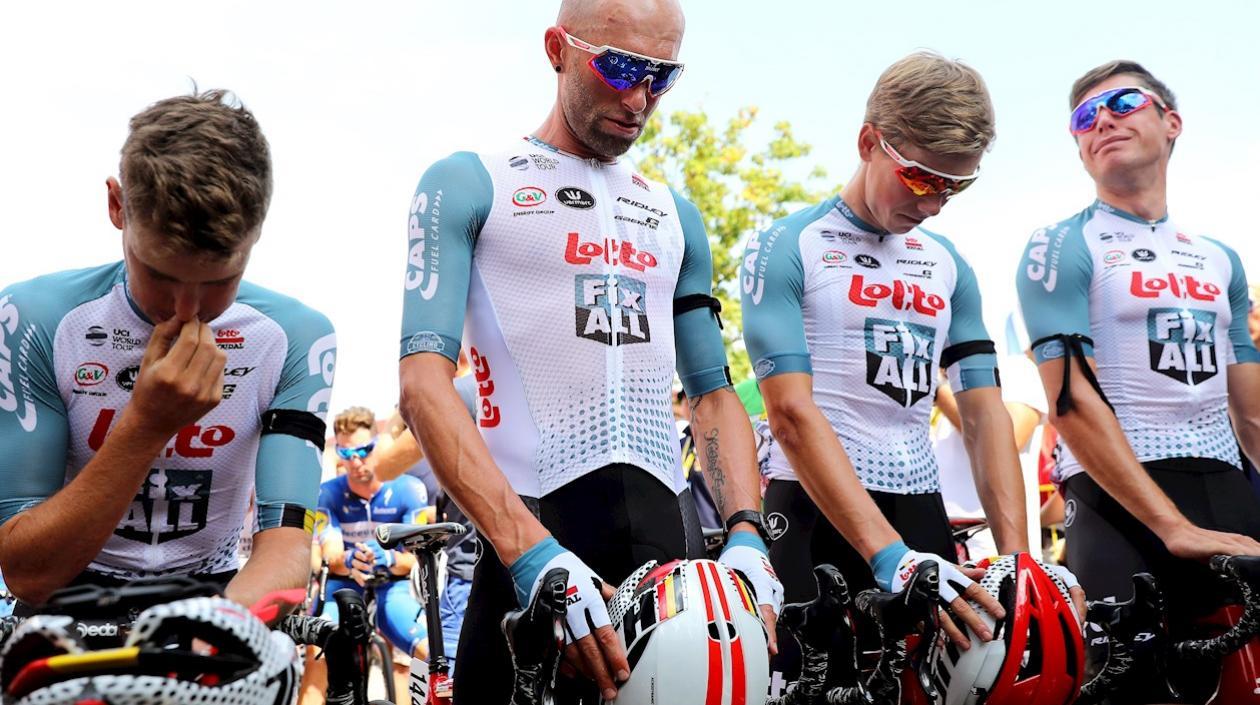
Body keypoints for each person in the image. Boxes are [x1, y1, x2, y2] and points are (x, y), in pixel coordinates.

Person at [397, 0, 782, 701]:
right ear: (556, 48)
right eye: (620, 68)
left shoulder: (674, 213)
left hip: (671, 552)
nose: (639, 100)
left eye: (661, 78)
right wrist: (531, 550)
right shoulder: (470, 182)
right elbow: (423, 388)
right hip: (530, 545)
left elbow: (712, 391)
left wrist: (748, 531)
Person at [741, 51, 1081, 691]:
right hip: (815, 518)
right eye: (923, 179)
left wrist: (1020, 563)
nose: (936, 204)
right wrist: (886, 553)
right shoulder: (788, 244)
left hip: (920, 513)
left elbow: (983, 416)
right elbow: (788, 412)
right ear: (869, 141)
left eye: (958, 186)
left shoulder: (948, 262)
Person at [0, 90, 335, 612]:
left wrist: (222, 626)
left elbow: (288, 548)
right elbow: (26, 572)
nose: (187, 308)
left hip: (219, 592)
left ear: (258, 231)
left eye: (221, 281)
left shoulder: (294, 337)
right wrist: (148, 425)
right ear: (117, 206)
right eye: (158, 274)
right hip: (67, 596)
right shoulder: (36, 318)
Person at [1016, 59, 1260, 703]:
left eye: (1123, 103)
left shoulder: (1220, 258)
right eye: (1083, 117)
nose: (1102, 121)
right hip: (1119, 505)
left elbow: (1252, 413)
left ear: (1171, 122)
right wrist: (1171, 525)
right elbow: (1069, 404)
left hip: (1226, 487)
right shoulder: (1062, 245)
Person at [300, 407, 429, 705]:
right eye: (346, 454)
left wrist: (392, 560)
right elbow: (330, 555)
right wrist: (346, 560)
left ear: (379, 444)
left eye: (364, 450)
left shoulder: (410, 489)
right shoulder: (326, 493)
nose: (356, 461)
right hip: (345, 582)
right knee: (317, 653)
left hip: (392, 583)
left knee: (430, 654)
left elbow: (418, 559)